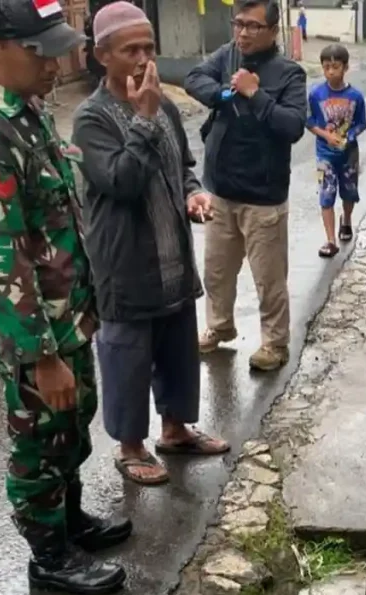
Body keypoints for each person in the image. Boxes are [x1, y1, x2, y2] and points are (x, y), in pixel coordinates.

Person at [0, 0, 129, 594]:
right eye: (39, 50)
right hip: (35, 335)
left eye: (57, 47)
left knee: (71, 428)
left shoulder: (26, 111)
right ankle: (49, 557)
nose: (56, 62)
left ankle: (69, 521)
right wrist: (42, 356)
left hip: (66, 316)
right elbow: (4, 262)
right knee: (38, 445)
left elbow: (57, 223)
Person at [72, 2, 230, 488]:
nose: (143, 58)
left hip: (171, 257)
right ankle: (131, 446)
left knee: (178, 350)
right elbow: (120, 180)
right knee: (127, 357)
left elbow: (179, 165)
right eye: (130, 49)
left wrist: (195, 192)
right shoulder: (91, 119)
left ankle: (176, 429)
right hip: (124, 264)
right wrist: (141, 118)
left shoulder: (161, 105)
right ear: (102, 55)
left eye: (149, 47)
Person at [184, 0, 307, 372]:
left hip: (264, 199)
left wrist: (256, 94)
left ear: (272, 30)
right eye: (239, 24)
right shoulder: (227, 56)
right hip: (222, 190)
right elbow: (193, 78)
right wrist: (223, 93)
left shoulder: (290, 74)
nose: (243, 33)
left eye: (253, 26)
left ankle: (275, 343)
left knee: (269, 279)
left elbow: (293, 126)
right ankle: (220, 327)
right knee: (217, 271)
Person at [307, 43, 366, 258]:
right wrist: (326, 136)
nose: (331, 71)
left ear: (345, 67)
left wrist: (348, 137)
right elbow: (309, 122)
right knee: (326, 193)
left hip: (349, 154)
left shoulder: (356, 96)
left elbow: (362, 123)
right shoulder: (315, 94)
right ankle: (330, 240)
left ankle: (347, 220)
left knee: (349, 191)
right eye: (326, 67)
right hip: (324, 156)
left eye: (335, 66)